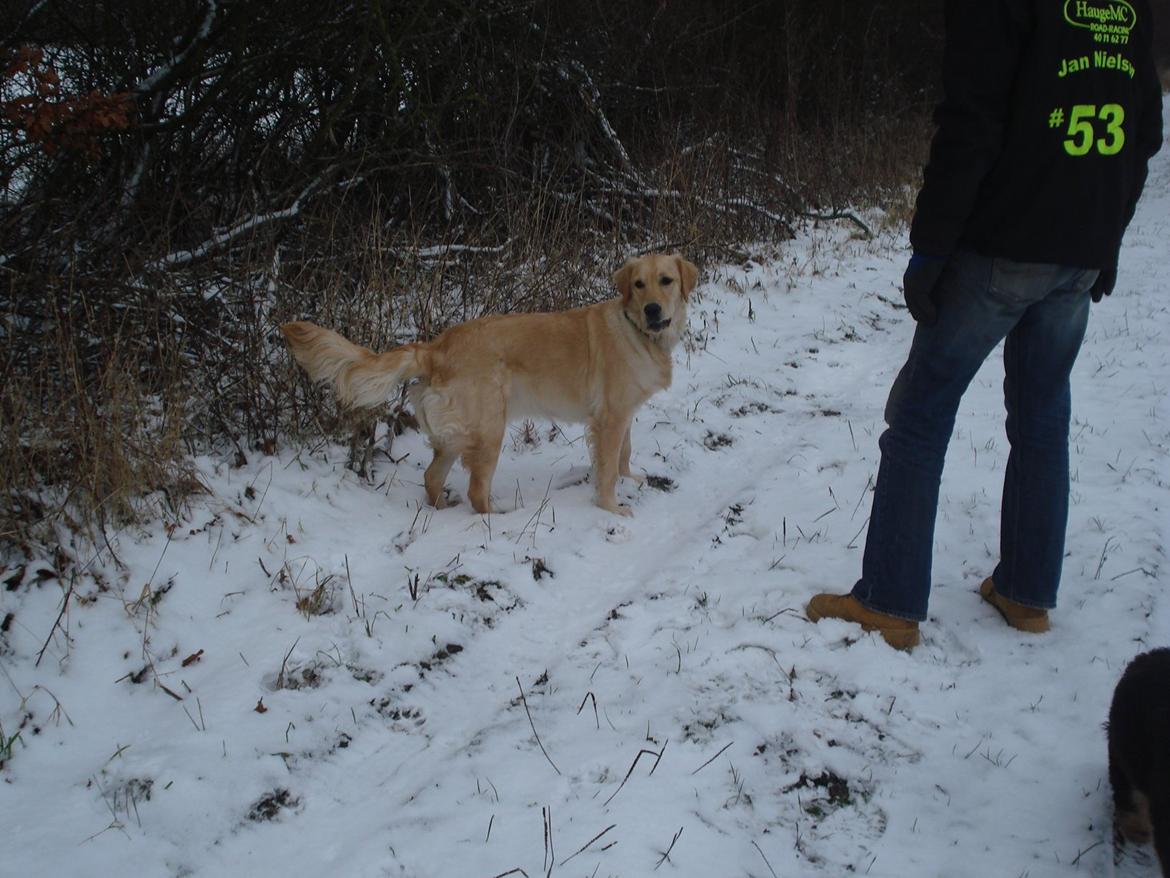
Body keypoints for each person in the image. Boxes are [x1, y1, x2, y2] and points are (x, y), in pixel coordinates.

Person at [806, 0, 1164, 650]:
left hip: (1003, 243)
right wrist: (1104, 238)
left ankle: (890, 601)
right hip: (1079, 251)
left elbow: (970, 123)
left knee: (919, 415)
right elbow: (1143, 131)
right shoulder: (1128, 8)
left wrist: (932, 248)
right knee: (1042, 415)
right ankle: (1026, 595)